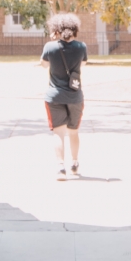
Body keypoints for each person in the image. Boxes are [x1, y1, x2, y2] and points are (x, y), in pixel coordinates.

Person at [42, 12, 87, 180]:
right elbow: (82, 64)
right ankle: (74, 163)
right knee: (73, 132)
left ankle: (61, 167)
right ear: (74, 28)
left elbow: (44, 65)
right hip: (75, 96)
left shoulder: (50, 47)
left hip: (54, 96)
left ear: (56, 29)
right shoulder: (81, 47)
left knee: (58, 134)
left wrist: (54, 40)